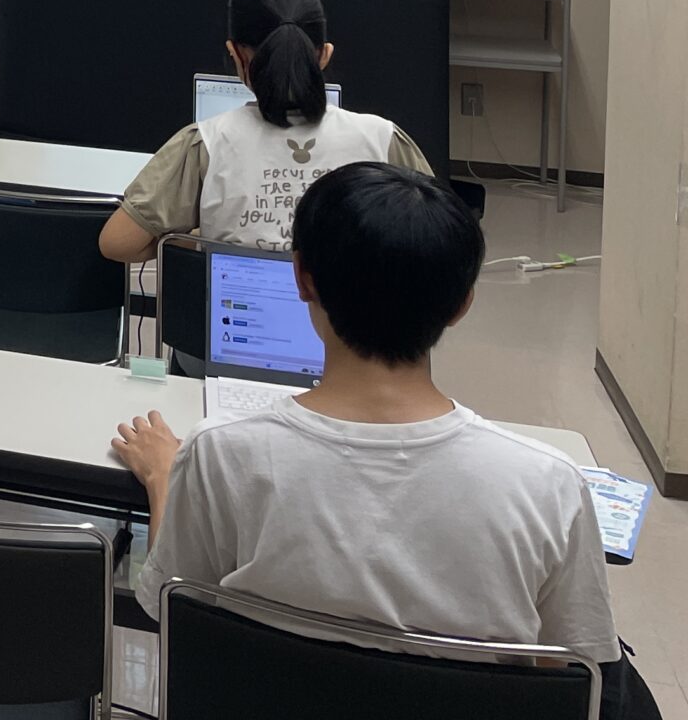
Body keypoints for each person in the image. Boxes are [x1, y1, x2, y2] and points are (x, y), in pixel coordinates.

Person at [114, 163, 655, 714]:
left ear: (301, 278)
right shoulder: (548, 485)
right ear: (462, 304)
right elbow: (572, 676)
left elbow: (171, 604)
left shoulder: (220, 453)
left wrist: (164, 479)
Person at [100, 0, 433, 264]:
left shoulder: (206, 142)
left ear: (236, 55)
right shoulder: (383, 139)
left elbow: (117, 243)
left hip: (234, 318)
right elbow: (439, 241)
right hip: (354, 318)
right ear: (324, 56)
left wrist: (200, 240)